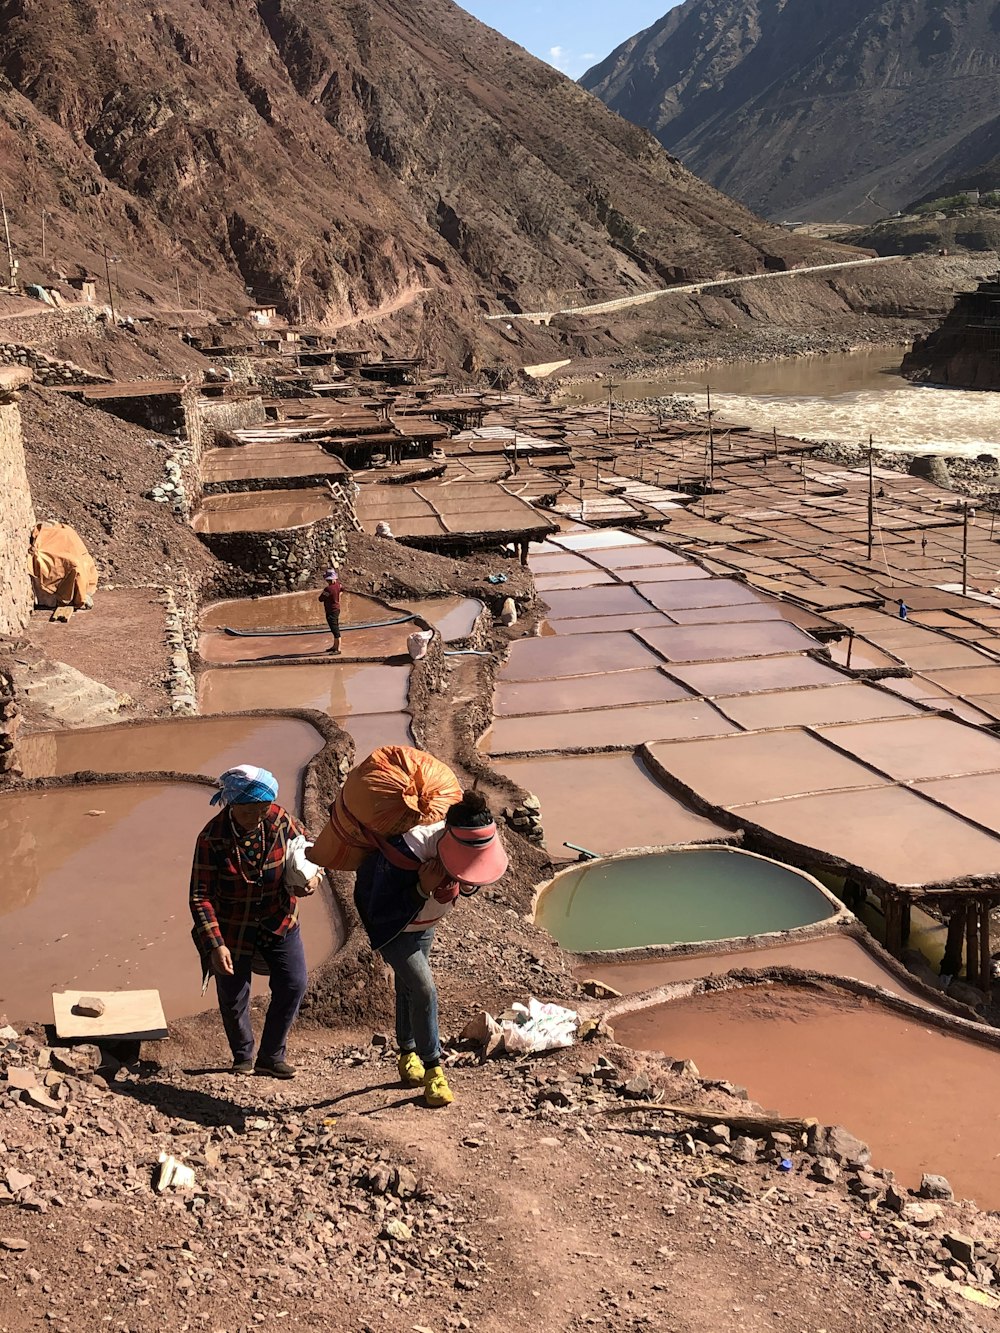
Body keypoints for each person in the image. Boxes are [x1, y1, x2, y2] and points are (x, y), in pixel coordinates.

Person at [353, 790, 508, 1107]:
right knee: (425, 989)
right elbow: (378, 905)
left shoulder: (472, 842)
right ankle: (433, 1071)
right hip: (395, 929)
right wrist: (422, 888)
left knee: (408, 988)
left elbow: (472, 876)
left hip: (426, 925)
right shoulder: (406, 851)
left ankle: (407, 1053)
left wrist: (460, 885)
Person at [190, 765, 318, 1078]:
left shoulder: (279, 818)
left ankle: (271, 1056)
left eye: (264, 808)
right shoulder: (212, 838)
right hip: (232, 928)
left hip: (279, 918)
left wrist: (314, 878)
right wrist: (215, 943)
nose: (261, 816)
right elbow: (200, 896)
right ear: (233, 806)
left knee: (294, 983)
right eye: (252, 811)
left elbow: (308, 848)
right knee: (234, 995)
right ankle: (243, 1056)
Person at [319, 567, 342, 654]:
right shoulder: (339, 585)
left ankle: (338, 649)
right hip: (337, 608)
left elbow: (320, 599)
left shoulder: (328, 589)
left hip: (331, 610)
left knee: (335, 629)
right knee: (334, 627)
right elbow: (342, 590)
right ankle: (334, 646)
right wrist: (338, 599)